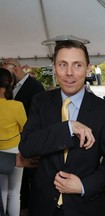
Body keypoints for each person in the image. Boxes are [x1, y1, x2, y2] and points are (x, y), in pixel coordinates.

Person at [19, 40, 105, 216]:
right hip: (43, 206)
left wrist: (84, 185)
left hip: (85, 207)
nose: (69, 73)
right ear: (54, 68)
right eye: (62, 64)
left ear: (88, 68)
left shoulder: (104, 110)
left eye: (77, 65)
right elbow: (27, 146)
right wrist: (68, 128)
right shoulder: (41, 102)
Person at [2, 58, 45, 213]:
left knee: (19, 186)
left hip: (26, 142)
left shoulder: (35, 86)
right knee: (12, 191)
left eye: (5, 70)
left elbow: (38, 117)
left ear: (15, 69)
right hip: (13, 146)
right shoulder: (13, 89)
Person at [0, 68, 26, 216]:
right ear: (10, 83)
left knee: (1, 194)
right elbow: (26, 128)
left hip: (1, 156)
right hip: (15, 152)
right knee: (15, 194)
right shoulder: (16, 106)